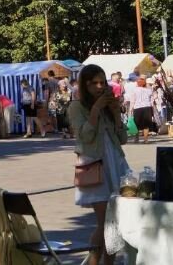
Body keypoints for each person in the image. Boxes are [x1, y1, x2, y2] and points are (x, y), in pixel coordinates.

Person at [68, 64, 130, 265]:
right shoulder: (77, 107)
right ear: (85, 85)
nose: (99, 86)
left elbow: (122, 139)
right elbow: (85, 135)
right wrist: (95, 110)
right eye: (94, 83)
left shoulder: (107, 106)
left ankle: (109, 263)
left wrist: (116, 113)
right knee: (105, 221)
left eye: (103, 82)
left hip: (115, 162)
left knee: (116, 221)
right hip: (94, 164)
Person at [129, 76, 154, 143]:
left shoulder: (134, 90)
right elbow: (152, 100)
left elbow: (132, 100)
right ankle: (145, 140)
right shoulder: (149, 90)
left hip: (137, 107)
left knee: (136, 123)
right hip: (147, 107)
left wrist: (130, 109)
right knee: (146, 124)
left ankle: (136, 139)